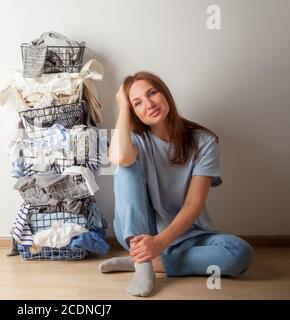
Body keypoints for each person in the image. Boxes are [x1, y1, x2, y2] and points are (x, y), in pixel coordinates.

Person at [98, 71, 253, 297]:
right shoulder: (135, 141)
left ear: (165, 93)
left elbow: (194, 204)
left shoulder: (204, 141)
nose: (149, 104)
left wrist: (160, 243)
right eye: (137, 103)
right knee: (126, 169)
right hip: (138, 232)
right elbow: (120, 158)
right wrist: (122, 107)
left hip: (187, 233)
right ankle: (143, 265)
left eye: (152, 93)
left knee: (240, 253)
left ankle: (145, 261)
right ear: (133, 112)